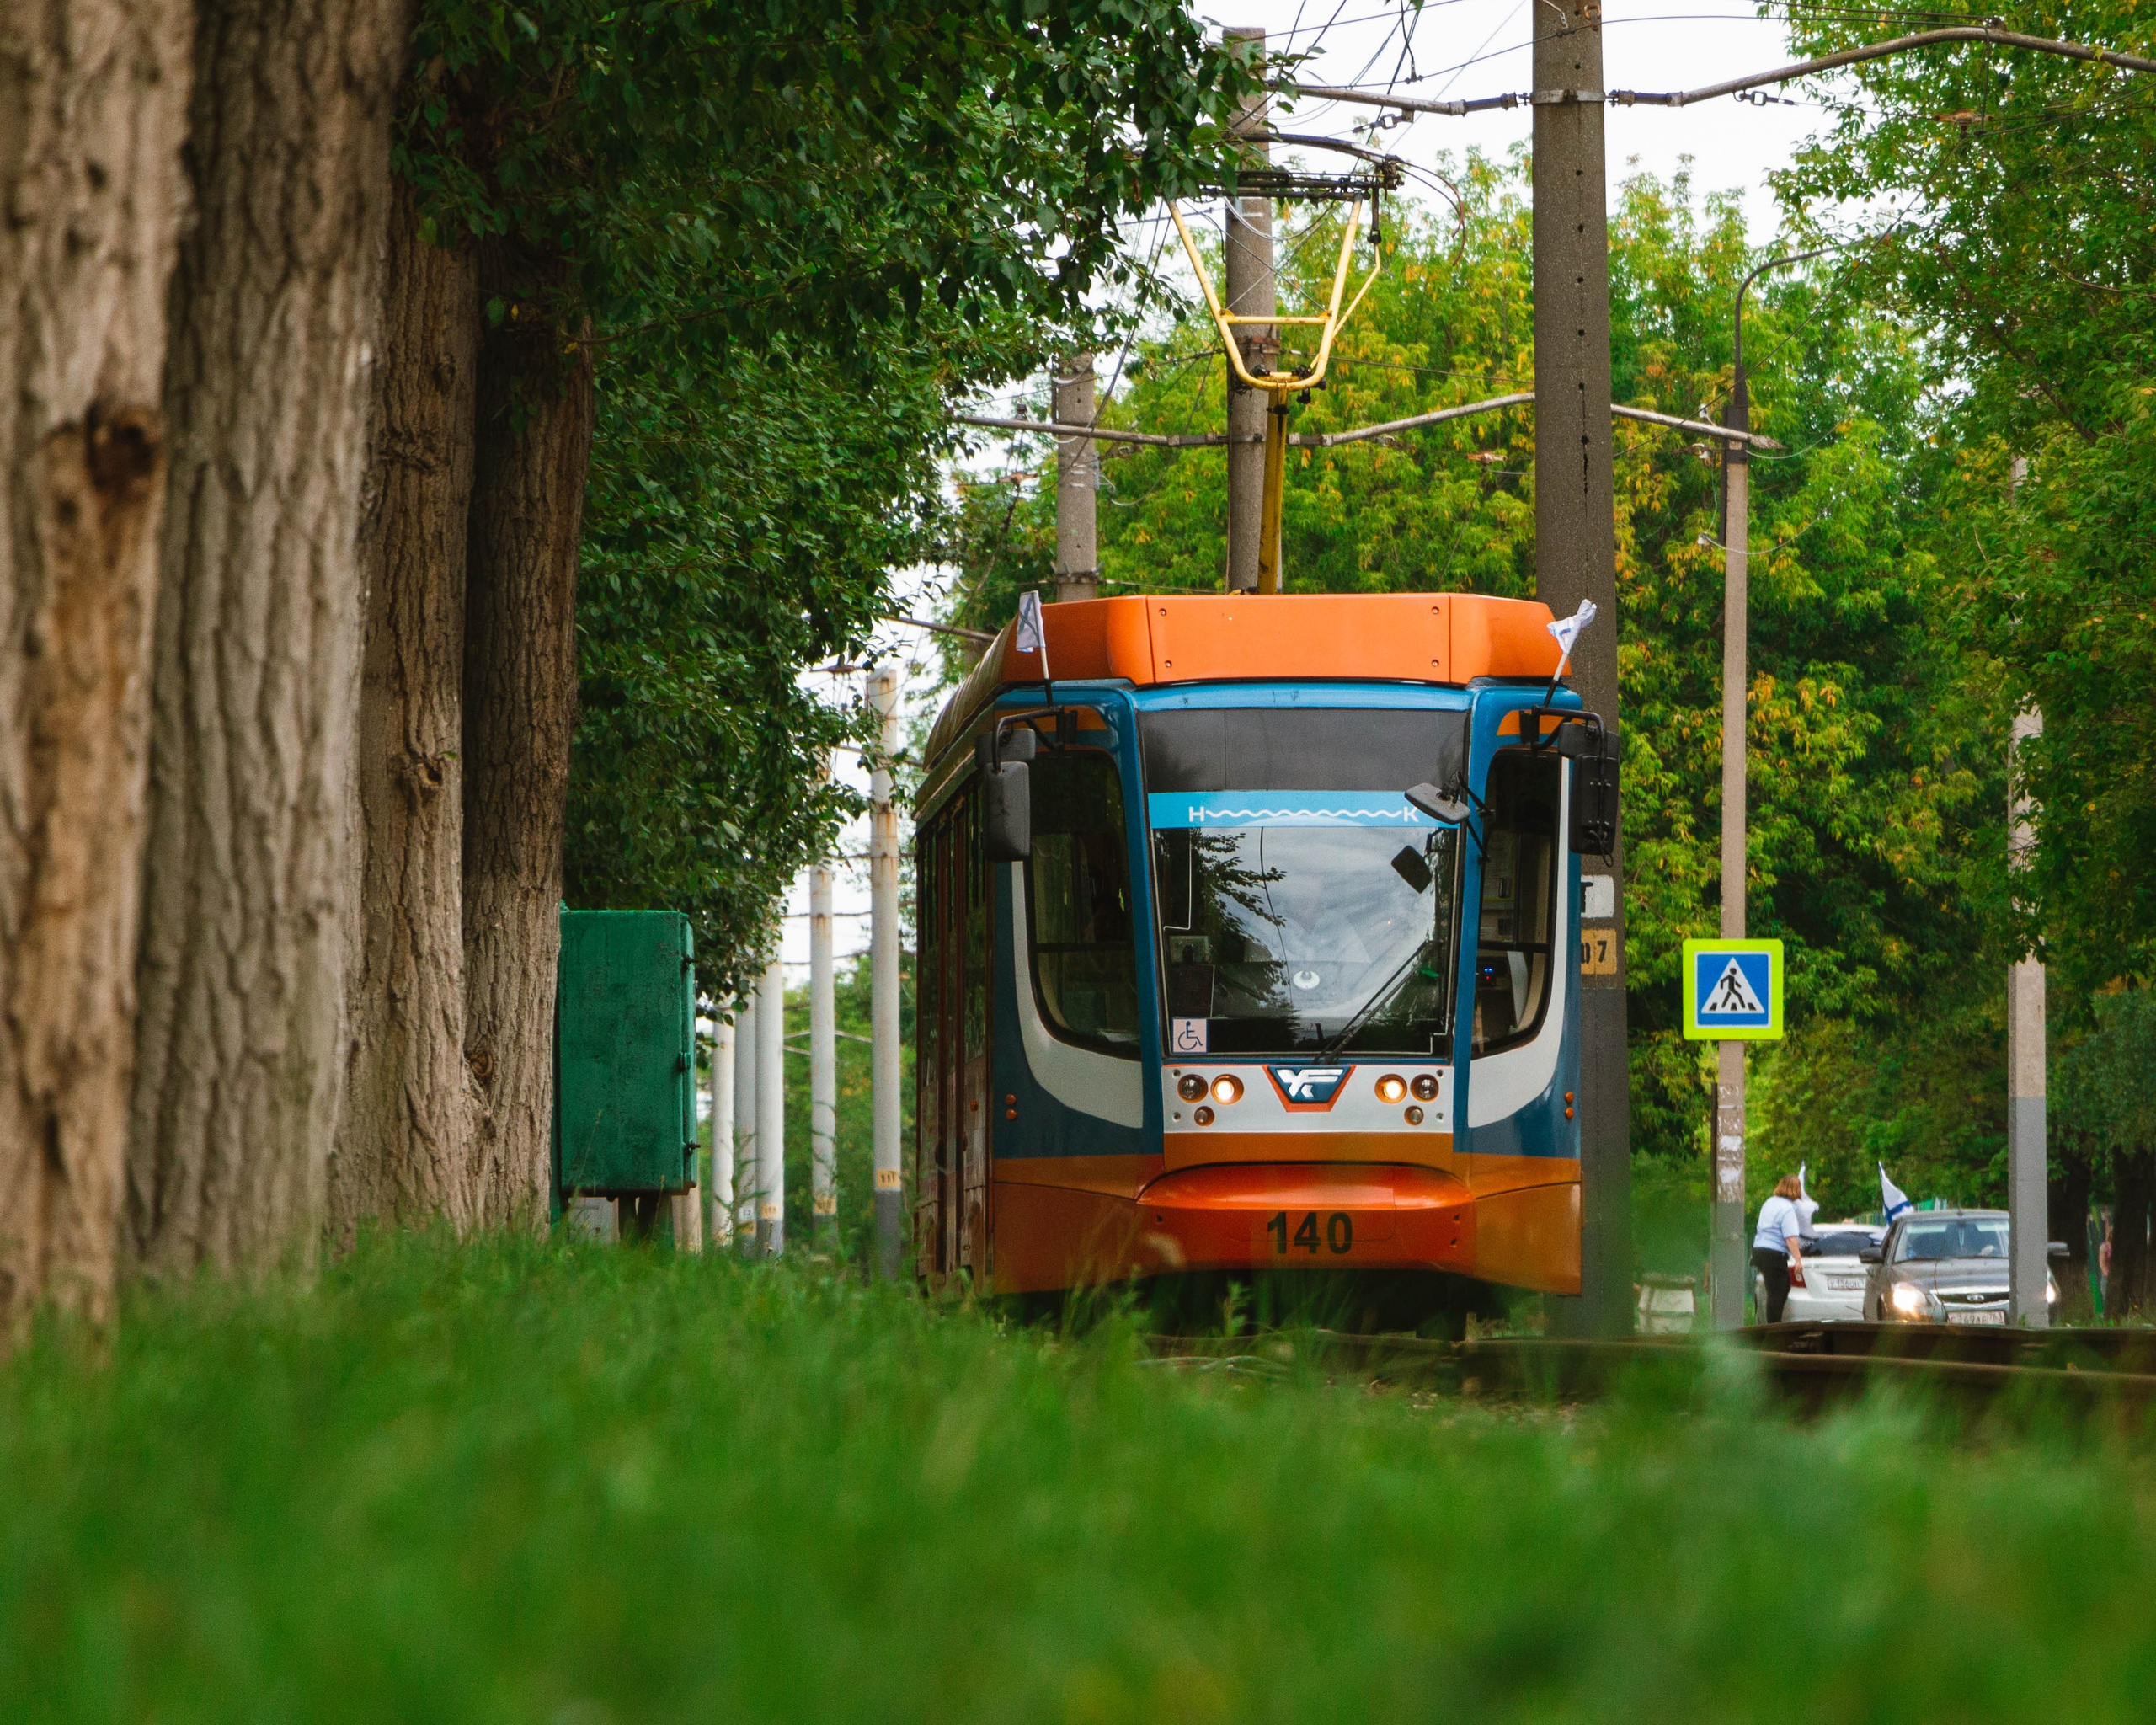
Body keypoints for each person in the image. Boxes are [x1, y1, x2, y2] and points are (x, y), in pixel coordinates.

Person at [1752, 1172, 1808, 1324]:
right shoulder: (1787, 1208)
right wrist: (1798, 1260)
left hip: (1759, 1250)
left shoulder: (1769, 1202)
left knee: (1782, 1287)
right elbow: (1790, 1238)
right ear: (1795, 1189)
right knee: (1777, 1292)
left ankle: (1774, 1324)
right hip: (1773, 1254)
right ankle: (1774, 1328)